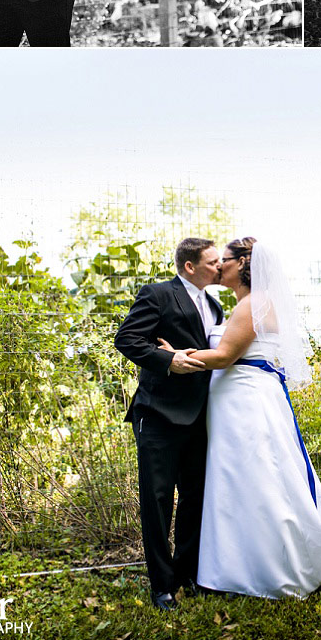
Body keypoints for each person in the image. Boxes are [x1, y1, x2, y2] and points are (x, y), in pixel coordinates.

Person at [159, 237, 321, 599]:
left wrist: (174, 355)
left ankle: (270, 564)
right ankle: (234, 563)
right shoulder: (242, 305)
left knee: (259, 478)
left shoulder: (255, 304)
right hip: (234, 402)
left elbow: (224, 356)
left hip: (246, 402)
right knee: (240, 480)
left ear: (242, 264)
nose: (219, 265)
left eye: (224, 259)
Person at [113, 238, 224, 610]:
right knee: (158, 502)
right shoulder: (159, 294)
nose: (220, 266)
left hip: (200, 416)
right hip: (158, 414)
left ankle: (188, 575)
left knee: (195, 499)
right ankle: (161, 586)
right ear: (190, 266)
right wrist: (167, 359)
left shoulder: (215, 304)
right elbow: (127, 339)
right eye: (212, 262)